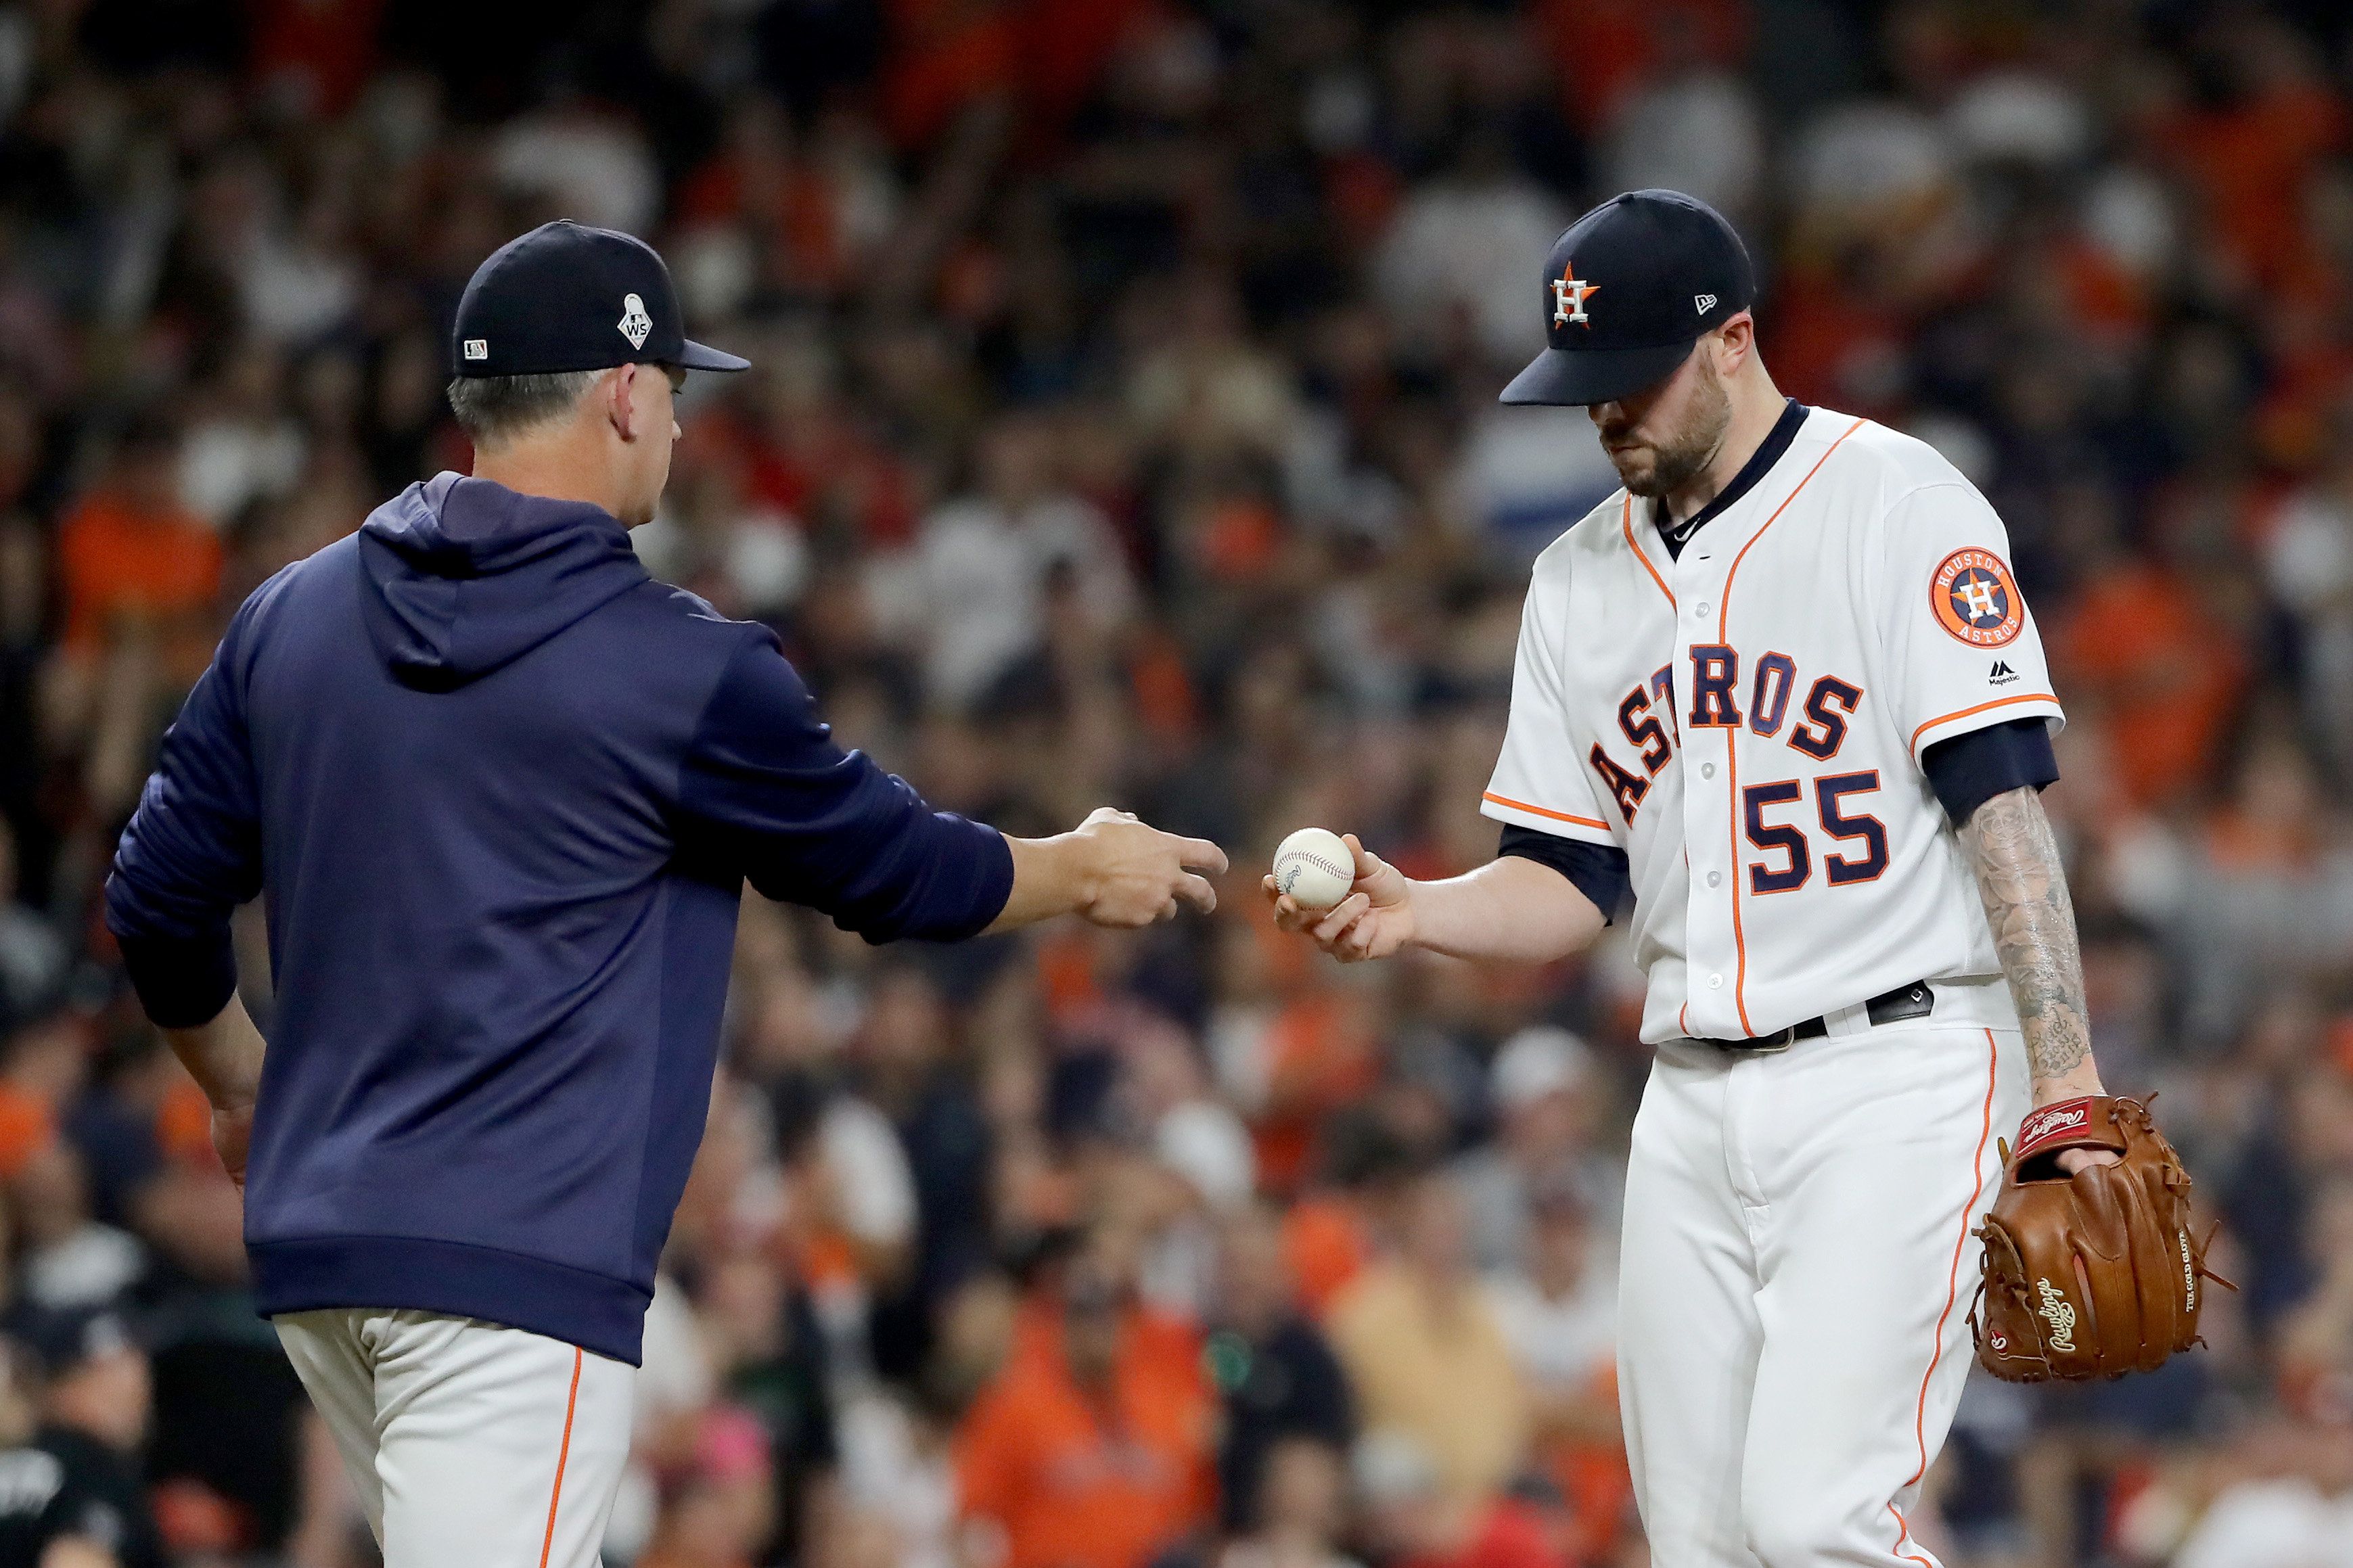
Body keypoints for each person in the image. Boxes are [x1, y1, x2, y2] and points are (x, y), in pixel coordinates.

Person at [101, 220, 1227, 1568]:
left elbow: (158, 900)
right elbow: (896, 872)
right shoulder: (676, 668)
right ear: (623, 393)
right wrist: (1077, 866)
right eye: (677, 397)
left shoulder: (291, 614)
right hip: (510, 1269)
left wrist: (236, 1082)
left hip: (322, 1263)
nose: (683, 432)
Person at [1268, 189, 2119, 1567]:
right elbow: (1565, 875)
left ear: (1730, 339)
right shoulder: (1571, 582)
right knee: (1702, 1546)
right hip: (1688, 1104)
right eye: (1582, 390)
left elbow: (1999, 809)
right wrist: (1416, 909)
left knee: (1810, 1524)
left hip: (1897, 1075)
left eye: (1631, 381)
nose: (1604, 417)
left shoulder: (1891, 502)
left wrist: (2064, 1080)